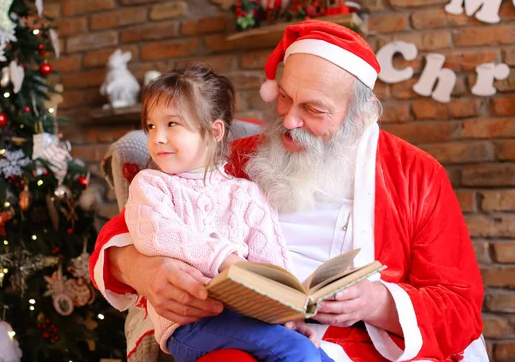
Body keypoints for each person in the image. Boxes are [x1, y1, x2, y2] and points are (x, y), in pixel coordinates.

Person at [90, 20, 487, 362]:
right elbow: (129, 227)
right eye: (283, 97)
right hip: (240, 328)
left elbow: (460, 308)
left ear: (361, 115)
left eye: (314, 110)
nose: (290, 120)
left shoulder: (415, 175)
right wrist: (142, 269)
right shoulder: (237, 157)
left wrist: (379, 303)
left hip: (359, 346)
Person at [123, 62, 334, 362]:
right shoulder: (151, 185)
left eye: (172, 124)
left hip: (250, 319)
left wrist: (289, 315)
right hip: (191, 325)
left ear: (214, 131)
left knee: (317, 354)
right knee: (296, 353)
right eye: (151, 126)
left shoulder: (246, 194)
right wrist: (225, 259)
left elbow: (271, 263)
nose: (156, 138)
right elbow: (156, 235)